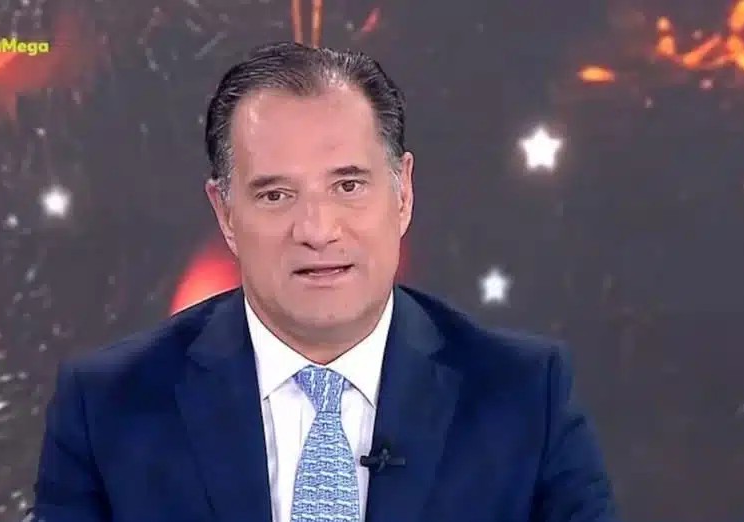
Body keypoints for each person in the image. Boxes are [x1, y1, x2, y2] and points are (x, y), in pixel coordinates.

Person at [32, 41, 619, 522]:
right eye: (275, 195)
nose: (316, 230)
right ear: (225, 213)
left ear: (403, 193)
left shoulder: (524, 396)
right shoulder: (107, 407)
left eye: (348, 186)